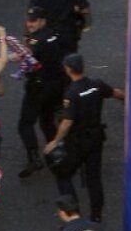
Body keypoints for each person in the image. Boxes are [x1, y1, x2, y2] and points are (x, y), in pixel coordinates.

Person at [46, 54, 124, 221]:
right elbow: (116, 93)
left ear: (68, 69)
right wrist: (129, 101)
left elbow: (67, 122)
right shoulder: (97, 85)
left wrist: (55, 141)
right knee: (94, 178)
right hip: (96, 138)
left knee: (64, 175)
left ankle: (74, 215)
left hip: (76, 142)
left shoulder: (72, 93)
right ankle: (96, 215)